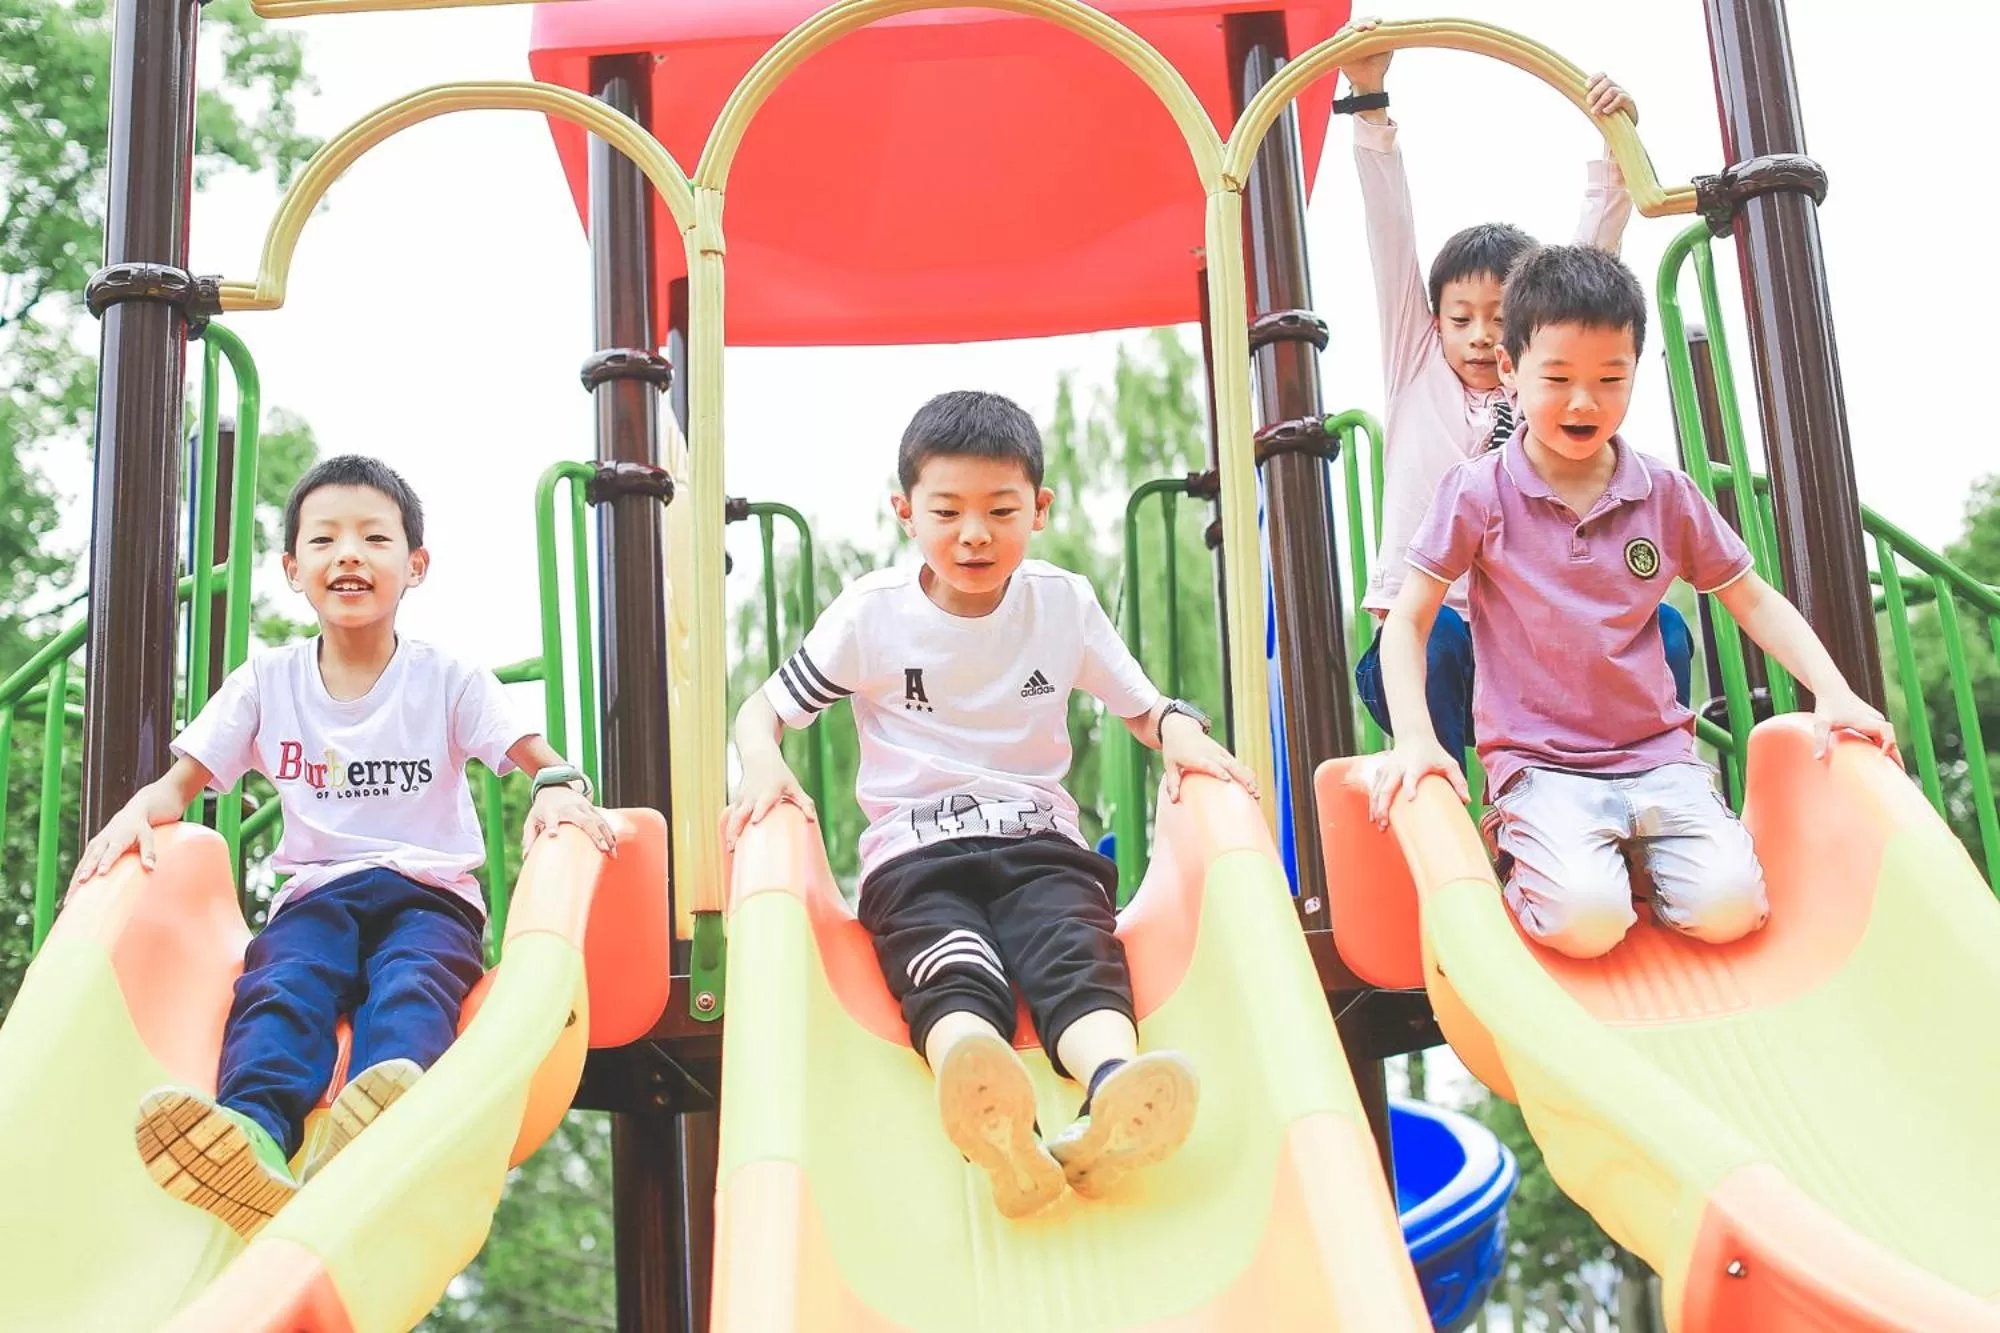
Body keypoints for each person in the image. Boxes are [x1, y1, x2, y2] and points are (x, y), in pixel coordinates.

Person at [726, 391, 1256, 1218]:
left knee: (1073, 952)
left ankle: (1115, 1090)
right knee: (951, 966)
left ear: (1039, 509)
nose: (974, 533)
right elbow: (762, 710)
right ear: (906, 512)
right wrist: (761, 762)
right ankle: (981, 1094)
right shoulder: (873, 615)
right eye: (947, 511)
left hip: (1039, 843)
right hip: (914, 855)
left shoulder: (1061, 603)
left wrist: (1183, 733)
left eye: (1000, 509)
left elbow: (1147, 709)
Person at [73, 455, 615, 1239]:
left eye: (374, 537)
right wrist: (138, 810)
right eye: (323, 539)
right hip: (315, 893)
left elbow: (543, 759)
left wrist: (559, 786)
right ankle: (251, 1135)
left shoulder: (448, 678)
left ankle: (376, 1120)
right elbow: (180, 784)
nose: (349, 554)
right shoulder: (267, 681)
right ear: (293, 569)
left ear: (415, 565)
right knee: (282, 986)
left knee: (414, 982)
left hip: (430, 895)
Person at [1367, 245, 1894, 960]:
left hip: (1658, 759)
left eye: (1610, 378)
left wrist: (1834, 692)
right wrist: (1416, 738)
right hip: (1540, 765)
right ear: (1510, 374)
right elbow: (1408, 619)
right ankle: (1526, 852)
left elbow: (1752, 597)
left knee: (1733, 910)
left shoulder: (1663, 492)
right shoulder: (1479, 492)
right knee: (1587, 922)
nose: (1585, 402)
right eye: (1558, 378)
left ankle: (1638, 860)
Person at [1335, 17, 1693, 764]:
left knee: (1668, 631)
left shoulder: (1539, 388)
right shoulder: (1416, 362)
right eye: (1460, 318)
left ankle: (1659, 768)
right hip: (1433, 641)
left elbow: (1588, 265)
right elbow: (1390, 232)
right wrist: (1369, 101)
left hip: (1540, 645)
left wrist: (1615, 149)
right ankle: (1438, 799)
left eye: (1500, 322)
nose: (1478, 337)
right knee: (1431, 643)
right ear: (1433, 320)